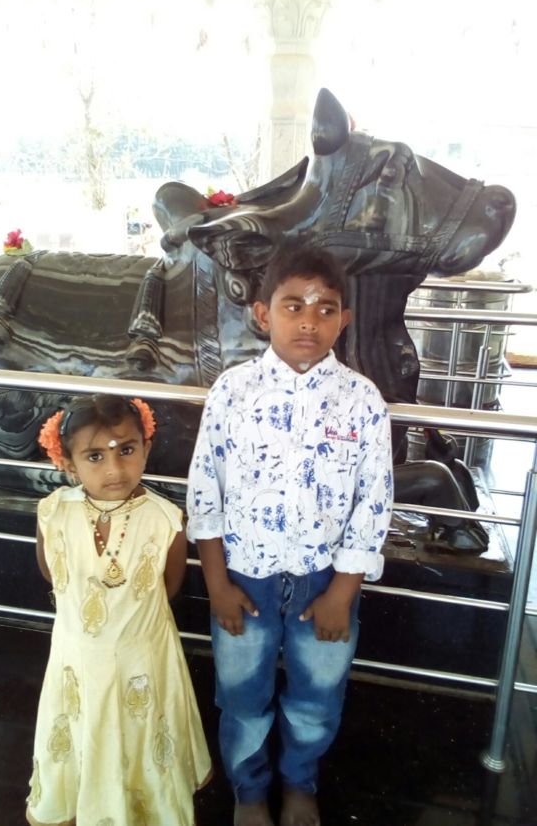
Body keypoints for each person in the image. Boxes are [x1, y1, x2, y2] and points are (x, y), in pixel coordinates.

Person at [186, 248, 393, 826]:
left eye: (325, 309)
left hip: (324, 582)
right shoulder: (233, 391)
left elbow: (373, 503)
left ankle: (301, 782)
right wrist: (217, 584)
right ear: (263, 314)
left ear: (343, 320)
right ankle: (249, 790)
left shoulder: (362, 401)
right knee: (241, 693)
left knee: (318, 693)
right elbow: (205, 491)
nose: (309, 321)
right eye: (293, 306)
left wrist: (342, 593)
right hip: (243, 578)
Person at [26, 394, 212, 826]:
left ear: (146, 447)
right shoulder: (54, 513)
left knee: (140, 729)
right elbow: (52, 571)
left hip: (141, 655)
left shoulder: (165, 518)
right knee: (84, 725)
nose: (114, 469)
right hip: (77, 656)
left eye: (126, 450)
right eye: (95, 456)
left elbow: (168, 586)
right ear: (68, 463)